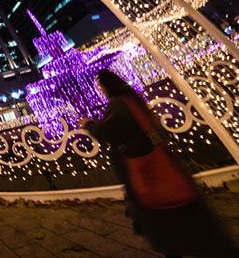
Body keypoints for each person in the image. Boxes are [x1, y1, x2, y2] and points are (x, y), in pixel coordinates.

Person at [83, 70, 238, 256]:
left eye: (101, 87)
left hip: (147, 171)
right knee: (180, 223)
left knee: (166, 223)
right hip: (160, 161)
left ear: (107, 86)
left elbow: (109, 131)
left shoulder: (118, 104)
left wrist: (88, 125)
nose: (101, 90)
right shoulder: (132, 98)